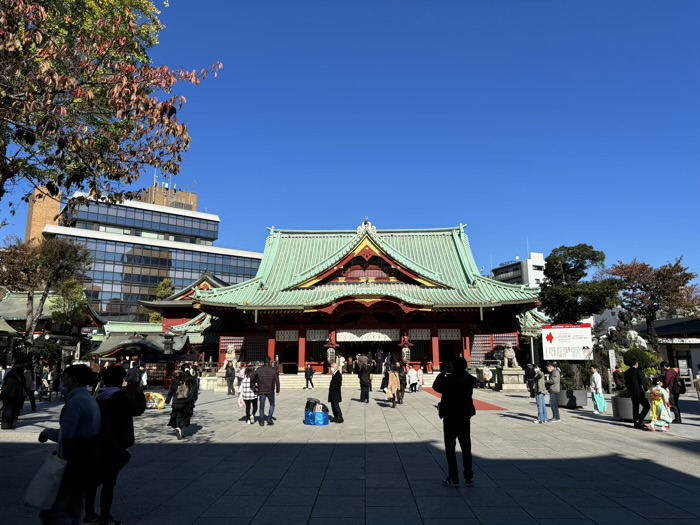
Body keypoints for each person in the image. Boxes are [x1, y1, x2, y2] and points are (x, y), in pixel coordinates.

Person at [37, 365, 101, 525]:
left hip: (73, 462)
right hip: (85, 460)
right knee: (72, 509)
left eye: (65, 376)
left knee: (56, 511)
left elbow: (66, 435)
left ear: (73, 379)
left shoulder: (76, 402)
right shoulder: (88, 399)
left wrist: (46, 432)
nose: (62, 380)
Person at [84, 364, 146, 525]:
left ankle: (89, 513)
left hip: (96, 442)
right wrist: (137, 392)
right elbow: (138, 409)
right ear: (121, 380)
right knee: (108, 483)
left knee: (93, 481)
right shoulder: (120, 397)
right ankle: (105, 516)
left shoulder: (98, 395)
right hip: (114, 443)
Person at [432, 357, 477, 487]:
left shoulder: (447, 380)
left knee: (450, 448)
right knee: (466, 447)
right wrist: (463, 371)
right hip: (464, 416)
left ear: (452, 367)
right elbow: (473, 379)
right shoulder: (468, 380)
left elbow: (436, 386)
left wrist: (443, 372)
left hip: (450, 416)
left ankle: (454, 477)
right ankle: (468, 476)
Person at [165, 367, 197, 439]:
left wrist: (168, 400)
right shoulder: (190, 379)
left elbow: (171, 390)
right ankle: (180, 429)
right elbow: (195, 388)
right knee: (184, 416)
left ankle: (180, 430)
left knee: (177, 416)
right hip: (186, 401)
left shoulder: (176, 379)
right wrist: (194, 398)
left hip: (176, 401)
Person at [253, 356, 280, 426]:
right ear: (270, 361)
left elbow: (252, 376)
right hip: (270, 390)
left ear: (263, 362)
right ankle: (269, 418)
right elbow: (277, 381)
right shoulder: (273, 370)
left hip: (261, 390)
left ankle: (261, 422)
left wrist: (254, 383)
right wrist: (277, 390)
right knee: (272, 404)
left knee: (262, 406)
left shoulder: (259, 369)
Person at [624, 356, 650, 430]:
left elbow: (626, 383)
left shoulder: (627, 372)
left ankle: (636, 422)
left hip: (631, 392)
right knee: (646, 406)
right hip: (639, 392)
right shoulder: (638, 371)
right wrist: (646, 390)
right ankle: (640, 420)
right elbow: (643, 382)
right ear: (636, 363)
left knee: (635, 407)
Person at [1, 362, 26, 429]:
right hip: (15, 396)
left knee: (6, 410)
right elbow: (23, 384)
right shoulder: (19, 375)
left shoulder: (9, 374)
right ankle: (12, 424)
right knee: (14, 411)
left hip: (7, 395)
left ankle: (5, 425)